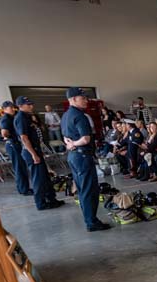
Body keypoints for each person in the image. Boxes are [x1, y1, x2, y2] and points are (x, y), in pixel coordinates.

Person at [61, 87, 111, 232]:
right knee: (89, 190)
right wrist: (74, 144)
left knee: (82, 189)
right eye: (83, 98)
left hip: (73, 156)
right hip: (82, 155)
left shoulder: (65, 116)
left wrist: (70, 145)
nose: (86, 101)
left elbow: (65, 137)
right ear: (73, 99)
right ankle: (92, 222)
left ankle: (89, 219)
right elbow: (85, 138)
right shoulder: (80, 116)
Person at [13, 97, 64, 211]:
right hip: (31, 152)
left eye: (31, 104)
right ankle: (41, 203)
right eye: (28, 104)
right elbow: (24, 138)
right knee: (38, 179)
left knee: (45, 177)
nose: (31, 106)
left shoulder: (28, 117)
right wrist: (33, 154)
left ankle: (51, 199)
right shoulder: (20, 118)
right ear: (20, 106)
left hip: (36, 150)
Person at [0, 101, 32, 196]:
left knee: (21, 166)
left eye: (13, 107)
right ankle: (24, 189)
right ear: (4, 109)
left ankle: (24, 187)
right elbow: (4, 133)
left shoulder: (14, 116)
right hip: (12, 144)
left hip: (16, 144)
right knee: (19, 167)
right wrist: (11, 134)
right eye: (10, 108)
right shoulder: (6, 119)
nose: (13, 109)